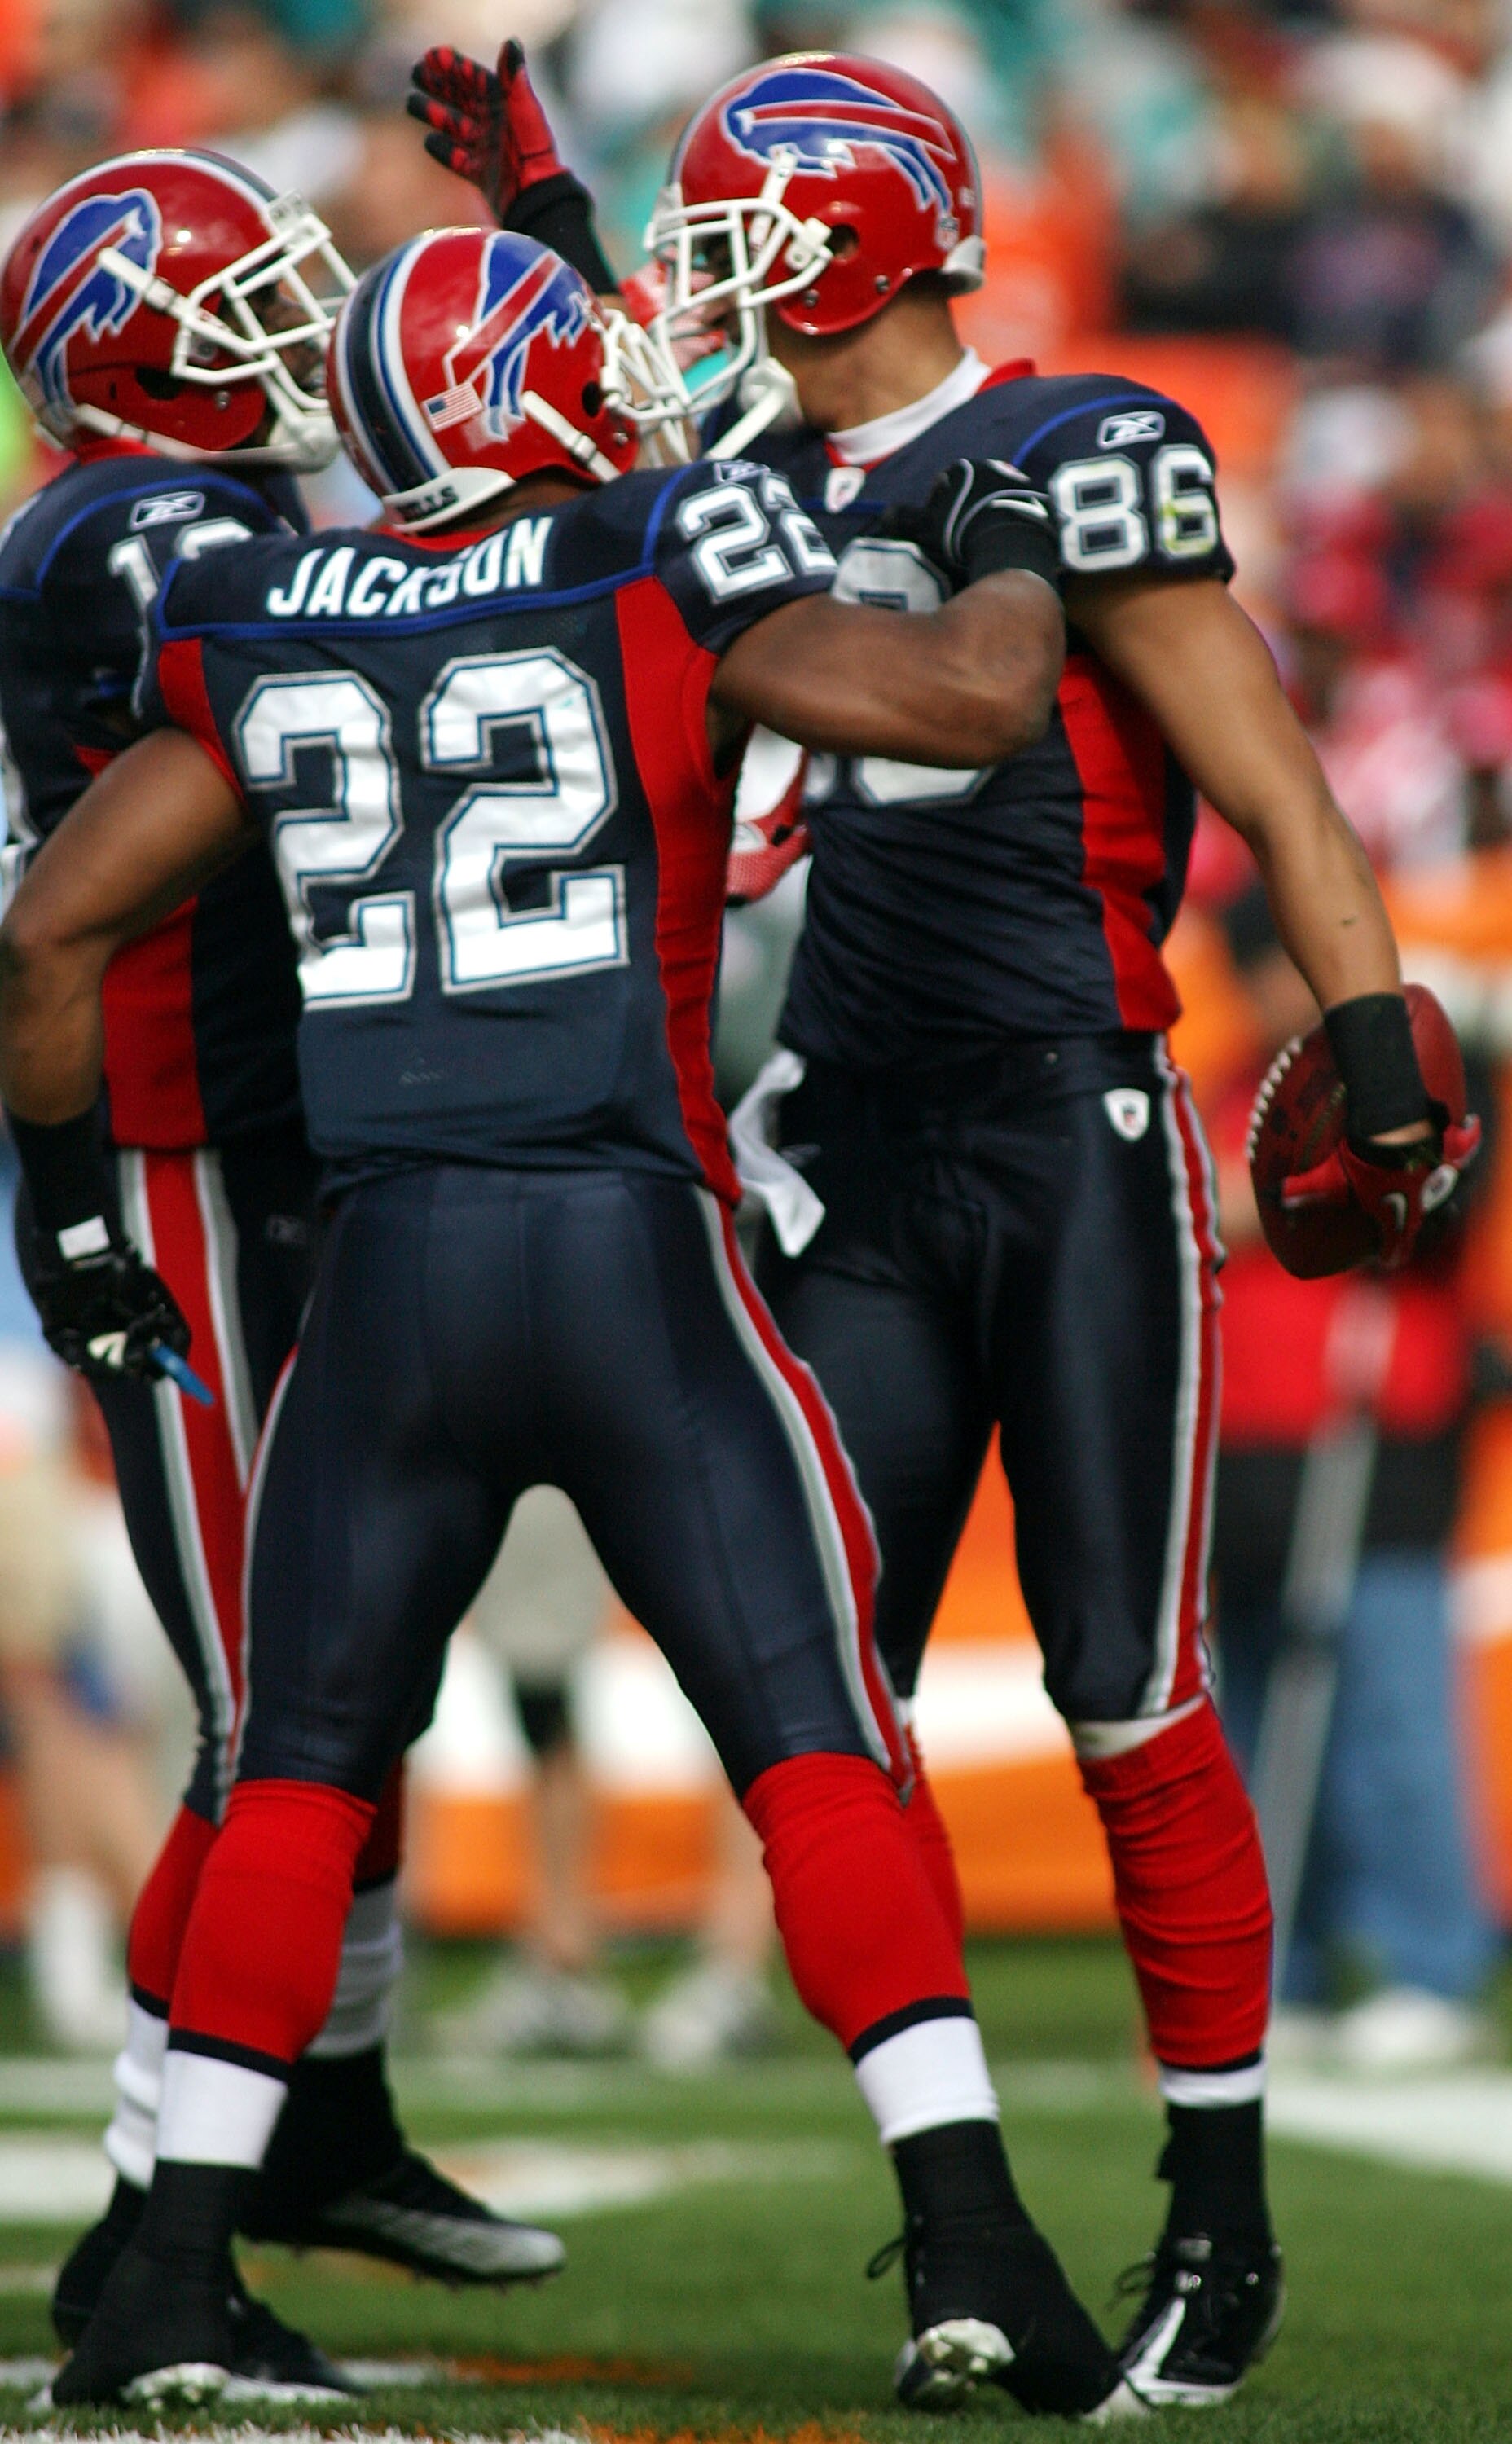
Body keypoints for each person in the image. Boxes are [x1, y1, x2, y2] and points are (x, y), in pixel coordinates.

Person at [406, 40, 1477, 2408]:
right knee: (809, 1701)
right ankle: (961, 2218)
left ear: (856, 233)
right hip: (845, 1149)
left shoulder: (1075, 445)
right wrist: (559, 213)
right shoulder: (761, 466)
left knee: (1125, 1674)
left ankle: (1221, 2203)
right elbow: (641, 417)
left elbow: (1270, 777)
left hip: (1065, 1128)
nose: (704, 273)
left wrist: (1381, 1042)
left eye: (734, 224)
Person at [0, 226, 1141, 2422]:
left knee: (297, 1782)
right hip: (633, 1254)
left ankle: (160, 2274)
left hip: (390, 1280)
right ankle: (976, 2244)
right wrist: (1006, 562)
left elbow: (51, 936)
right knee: (817, 1748)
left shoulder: (251, 602)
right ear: (525, 402)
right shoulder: (633, 553)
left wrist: (66, 1231)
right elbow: (968, 704)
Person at [0, 150, 564, 2392]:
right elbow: (372, 627)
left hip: (278, 1146)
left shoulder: (176, 501)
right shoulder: (124, 531)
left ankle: (317, 2114)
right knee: (275, 1711)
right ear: (137, 348)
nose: (287, 340)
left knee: (361, 1661)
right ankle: (164, 2230)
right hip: (175, 1164)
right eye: (247, 308)